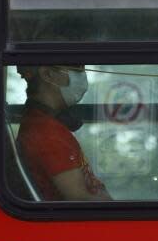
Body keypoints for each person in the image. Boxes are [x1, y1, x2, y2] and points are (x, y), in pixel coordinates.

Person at [16, 65, 110, 201]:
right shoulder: (47, 133)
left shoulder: (48, 124)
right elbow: (79, 198)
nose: (83, 75)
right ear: (47, 74)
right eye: (77, 68)